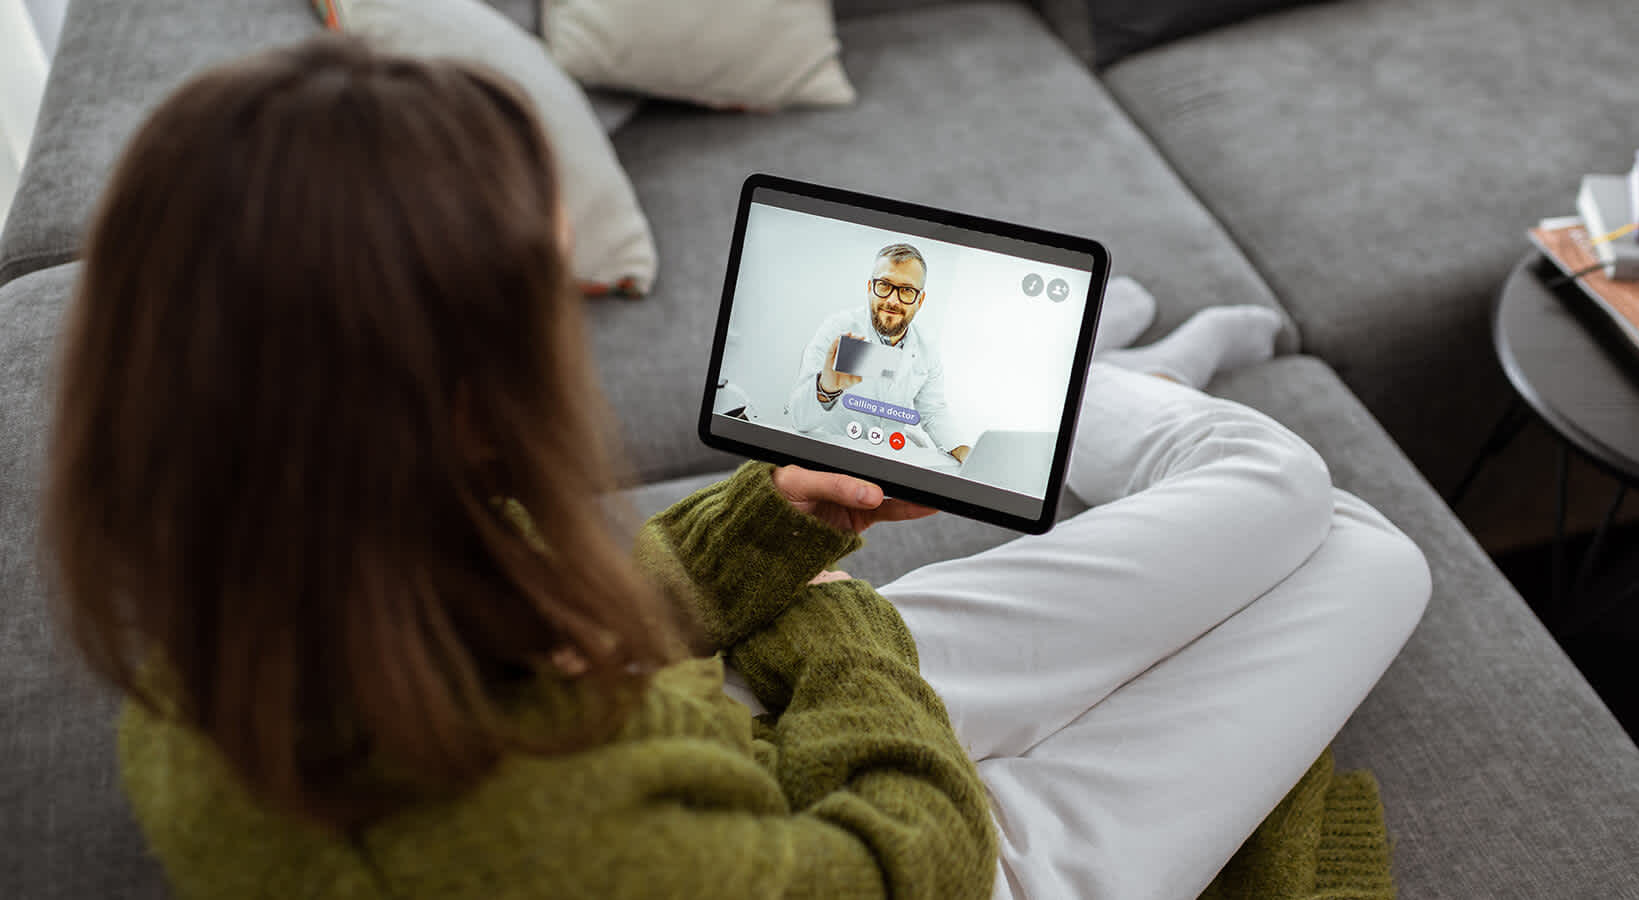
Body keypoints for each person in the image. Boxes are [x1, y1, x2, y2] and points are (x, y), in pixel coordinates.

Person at [44, 35, 1430, 900]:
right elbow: (909, 872)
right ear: (466, 392)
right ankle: (1085, 391)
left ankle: (1074, 391)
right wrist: (830, 613)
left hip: (753, 724)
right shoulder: (538, 838)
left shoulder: (253, 575)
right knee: (1363, 548)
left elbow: (542, 621)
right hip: (946, 844)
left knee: (1298, 510)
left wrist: (766, 524)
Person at [787, 244, 973, 461]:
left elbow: (933, 412)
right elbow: (799, 418)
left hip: (887, 461)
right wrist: (825, 388)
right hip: (831, 455)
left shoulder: (926, 348)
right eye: (884, 285)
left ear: (920, 300)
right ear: (869, 287)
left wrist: (964, 452)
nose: (893, 300)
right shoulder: (837, 330)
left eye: (906, 290)